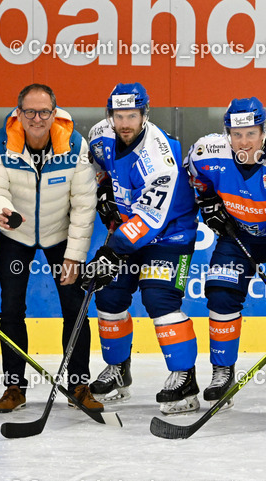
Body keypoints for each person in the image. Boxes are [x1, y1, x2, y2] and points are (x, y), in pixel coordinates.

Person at [186, 97, 266, 412]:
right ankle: (222, 372)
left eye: (251, 134)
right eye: (237, 134)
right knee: (220, 292)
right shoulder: (206, 153)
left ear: (263, 131)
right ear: (227, 133)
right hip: (238, 236)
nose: (243, 142)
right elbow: (196, 178)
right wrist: (208, 201)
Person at [81, 83, 200, 415]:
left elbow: (150, 217)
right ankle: (118, 371)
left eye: (132, 116)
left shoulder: (159, 157)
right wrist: (105, 190)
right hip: (130, 230)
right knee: (108, 294)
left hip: (170, 234)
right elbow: (100, 168)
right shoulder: (100, 135)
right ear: (110, 116)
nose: (125, 123)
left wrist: (112, 250)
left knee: (159, 298)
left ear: (145, 115)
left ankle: (185, 378)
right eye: (119, 116)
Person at [0, 83, 99, 413]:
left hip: (60, 234)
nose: (36, 118)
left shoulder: (75, 144)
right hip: (16, 233)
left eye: (44, 111)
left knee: (75, 308)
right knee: (11, 309)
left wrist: (74, 255)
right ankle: (14, 388)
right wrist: (1, 210)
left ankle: (79, 385)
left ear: (54, 113)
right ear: (18, 113)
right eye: (29, 111)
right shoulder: (1, 143)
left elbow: (84, 204)